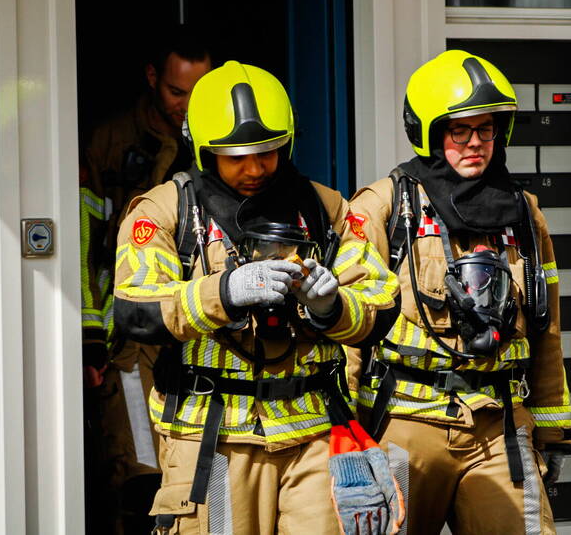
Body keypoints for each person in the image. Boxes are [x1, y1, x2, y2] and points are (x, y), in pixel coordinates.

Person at [112, 61, 402, 534]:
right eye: (236, 156)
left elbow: (382, 301)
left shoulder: (324, 208)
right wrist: (224, 292)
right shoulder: (165, 210)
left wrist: (333, 308)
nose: (255, 169)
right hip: (212, 436)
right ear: (204, 150)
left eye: (268, 153)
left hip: (312, 435)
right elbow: (136, 311)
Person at [348, 49, 571, 534]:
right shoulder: (384, 206)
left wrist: (551, 433)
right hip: (404, 426)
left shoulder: (524, 213)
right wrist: (344, 440)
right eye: (460, 131)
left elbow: (546, 328)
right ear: (429, 132)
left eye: (486, 129)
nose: (476, 143)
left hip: (501, 425)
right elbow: (350, 331)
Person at [80, 28, 213, 534]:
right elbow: (83, 243)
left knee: (203, 479)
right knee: (140, 475)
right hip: (129, 343)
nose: (186, 107)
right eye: (177, 92)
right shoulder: (107, 142)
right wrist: (90, 342)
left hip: (200, 336)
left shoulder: (219, 145)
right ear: (153, 79)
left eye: (199, 94)